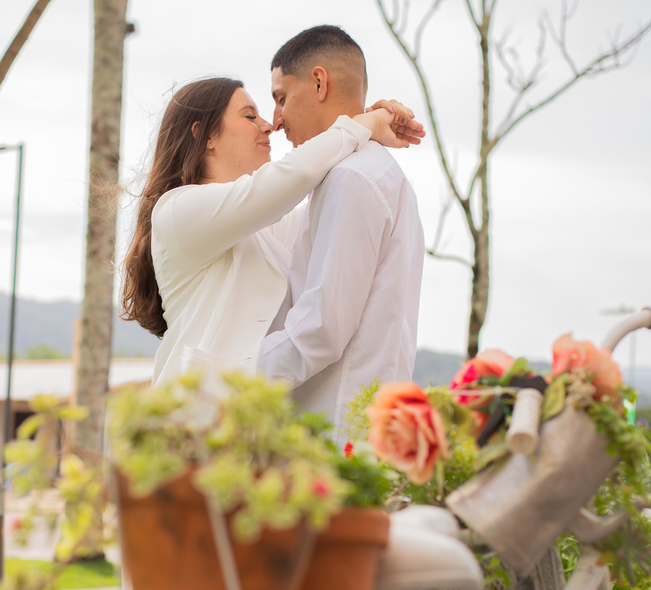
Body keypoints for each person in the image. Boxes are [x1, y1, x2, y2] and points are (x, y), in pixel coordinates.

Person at [120, 76, 422, 385]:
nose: (268, 126)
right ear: (205, 135)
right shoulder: (178, 210)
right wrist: (365, 124)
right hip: (192, 409)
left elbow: (331, 209)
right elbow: (293, 175)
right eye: (250, 116)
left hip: (245, 408)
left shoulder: (261, 231)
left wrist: (367, 136)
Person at [257, 25, 425, 440]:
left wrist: (232, 379)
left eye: (281, 98)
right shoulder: (374, 174)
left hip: (336, 432)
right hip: (360, 426)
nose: (276, 121)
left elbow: (320, 328)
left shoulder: (351, 178)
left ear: (319, 82)